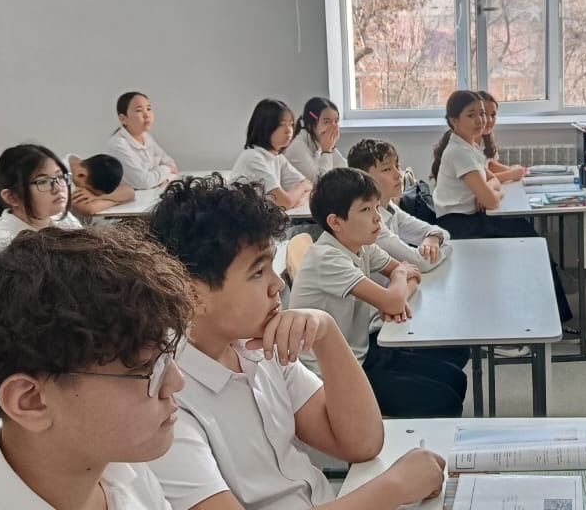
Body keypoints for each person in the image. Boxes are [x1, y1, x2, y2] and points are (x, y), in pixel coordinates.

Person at [146, 175, 446, 510]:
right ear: (191, 293)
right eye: (257, 272)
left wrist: (327, 333)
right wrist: (395, 487)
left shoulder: (258, 346)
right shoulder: (164, 401)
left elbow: (361, 443)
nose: (277, 285)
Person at [0, 224, 193, 509]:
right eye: (146, 367)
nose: (176, 382)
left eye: (167, 355)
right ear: (32, 401)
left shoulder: (121, 471)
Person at [289, 167, 468, 418]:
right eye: (365, 210)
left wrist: (398, 285)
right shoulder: (327, 258)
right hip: (333, 373)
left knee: (455, 377)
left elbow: (412, 274)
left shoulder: (362, 246)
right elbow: (396, 294)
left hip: (361, 351)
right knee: (444, 400)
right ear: (335, 222)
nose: (377, 218)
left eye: (376, 208)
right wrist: (397, 285)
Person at [430, 91, 574, 331]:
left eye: (482, 114)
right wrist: (489, 192)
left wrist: (489, 190)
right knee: (531, 243)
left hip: (473, 218)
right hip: (460, 226)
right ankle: (548, 321)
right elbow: (491, 200)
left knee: (529, 235)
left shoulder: (470, 146)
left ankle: (549, 318)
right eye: (471, 115)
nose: (481, 120)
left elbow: (492, 181)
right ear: (454, 120)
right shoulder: (459, 152)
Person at [347, 138, 451, 273]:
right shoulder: (371, 222)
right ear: (364, 177)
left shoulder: (389, 207)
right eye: (387, 169)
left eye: (397, 166)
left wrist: (434, 237)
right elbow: (420, 263)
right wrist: (446, 248)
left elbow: (442, 233)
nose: (398, 175)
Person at [0, 144, 81, 253]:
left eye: (60, 176)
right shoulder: (0, 246)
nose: (58, 188)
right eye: (43, 181)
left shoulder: (64, 219)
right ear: (12, 197)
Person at [230, 98, 313, 210]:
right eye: (281, 124)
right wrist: (300, 188)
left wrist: (299, 195)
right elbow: (284, 203)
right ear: (264, 126)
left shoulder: (277, 157)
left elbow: (309, 186)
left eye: (291, 124)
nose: (288, 130)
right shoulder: (252, 158)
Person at [106, 91, 178, 189]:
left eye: (148, 109)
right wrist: (167, 169)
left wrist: (166, 179)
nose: (147, 115)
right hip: (129, 197)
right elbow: (143, 182)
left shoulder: (146, 137)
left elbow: (171, 164)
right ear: (123, 118)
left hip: (149, 194)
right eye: (139, 110)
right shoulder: (118, 144)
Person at [284, 97, 348, 183]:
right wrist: (327, 151)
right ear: (310, 124)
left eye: (336, 121)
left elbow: (345, 169)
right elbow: (322, 184)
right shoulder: (296, 147)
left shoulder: (319, 141)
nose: (334, 127)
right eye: (326, 122)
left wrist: (330, 148)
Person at [65, 152, 136, 217]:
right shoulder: (64, 179)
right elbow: (89, 209)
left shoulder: (85, 167)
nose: (90, 194)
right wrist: (118, 200)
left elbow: (130, 192)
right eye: (91, 191)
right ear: (81, 175)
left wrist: (97, 197)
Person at [478, 91, 526, 183]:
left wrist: (510, 169)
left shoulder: (486, 138)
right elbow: (481, 178)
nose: (489, 120)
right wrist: (511, 174)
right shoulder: (467, 145)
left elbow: (489, 164)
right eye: (484, 114)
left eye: (493, 115)